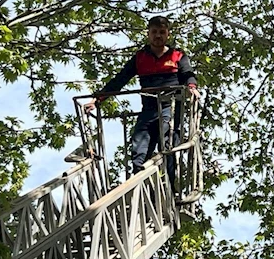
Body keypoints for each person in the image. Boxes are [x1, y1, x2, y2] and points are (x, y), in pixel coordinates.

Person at [84, 15, 200, 174]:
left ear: (168, 35)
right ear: (148, 34)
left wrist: (192, 87)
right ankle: (141, 185)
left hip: (171, 107)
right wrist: (97, 99)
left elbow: (188, 74)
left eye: (162, 32)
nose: (158, 36)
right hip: (149, 109)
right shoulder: (140, 57)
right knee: (139, 148)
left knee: (168, 145)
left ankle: (170, 189)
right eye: (154, 32)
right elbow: (120, 79)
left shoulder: (178, 56)